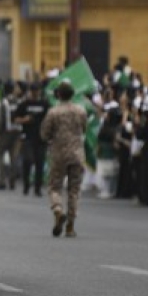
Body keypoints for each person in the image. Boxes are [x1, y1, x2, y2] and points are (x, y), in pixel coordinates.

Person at [41, 81, 89, 238]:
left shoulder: (53, 112)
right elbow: (84, 129)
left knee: (54, 187)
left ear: (58, 94)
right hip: (77, 154)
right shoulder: (80, 111)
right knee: (74, 190)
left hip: (58, 154)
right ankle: (70, 225)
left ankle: (57, 209)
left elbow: (45, 133)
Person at [15, 82, 50, 196]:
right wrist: (25, 120)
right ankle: (26, 185)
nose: (35, 93)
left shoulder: (44, 104)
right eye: (33, 91)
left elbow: (50, 119)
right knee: (28, 160)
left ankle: (37, 188)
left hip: (41, 138)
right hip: (28, 137)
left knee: (40, 162)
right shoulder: (24, 104)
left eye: (36, 91)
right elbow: (15, 119)